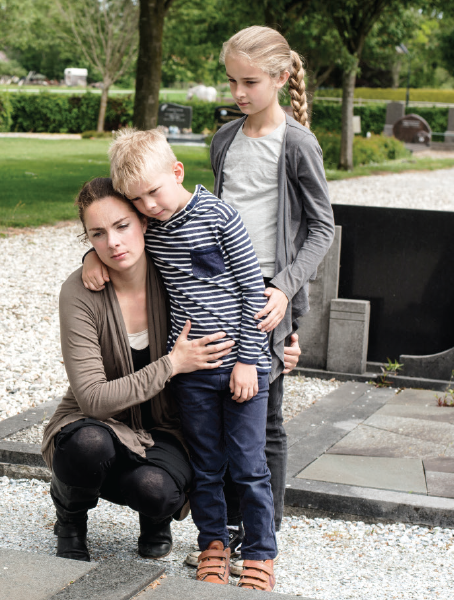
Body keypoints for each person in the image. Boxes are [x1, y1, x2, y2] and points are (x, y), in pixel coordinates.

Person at [82, 25, 334, 583]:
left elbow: (322, 227)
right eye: (232, 81)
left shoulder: (297, 143)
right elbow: (140, 224)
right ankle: (221, 536)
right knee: (218, 434)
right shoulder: (224, 140)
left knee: (260, 425)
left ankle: (260, 541)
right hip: (209, 287)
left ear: (280, 78)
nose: (239, 92)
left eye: (251, 82)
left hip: (266, 290)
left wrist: (285, 291)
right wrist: (93, 258)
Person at [42, 177, 303, 567]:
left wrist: (279, 346)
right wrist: (172, 364)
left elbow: (238, 298)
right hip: (98, 421)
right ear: (88, 240)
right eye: (98, 234)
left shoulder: (175, 275)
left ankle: (154, 517)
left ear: (145, 222)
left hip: (167, 427)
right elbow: (93, 399)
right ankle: (70, 511)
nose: (113, 242)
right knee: (87, 447)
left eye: (122, 226)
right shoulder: (80, 292)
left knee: (156, 490)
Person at [110, 128, 277, 590]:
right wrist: (90, 256)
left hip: (243, 368)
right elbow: (113, 239)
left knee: (247, 464)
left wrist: (247, 361)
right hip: (192, 371)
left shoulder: (220, 216)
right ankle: (212, 547)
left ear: (177, 171)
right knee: (206, 464)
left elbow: (251, 291)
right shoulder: (151, 227)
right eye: (136, 199)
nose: (146, 206)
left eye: (153, 192)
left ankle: (261, 552)